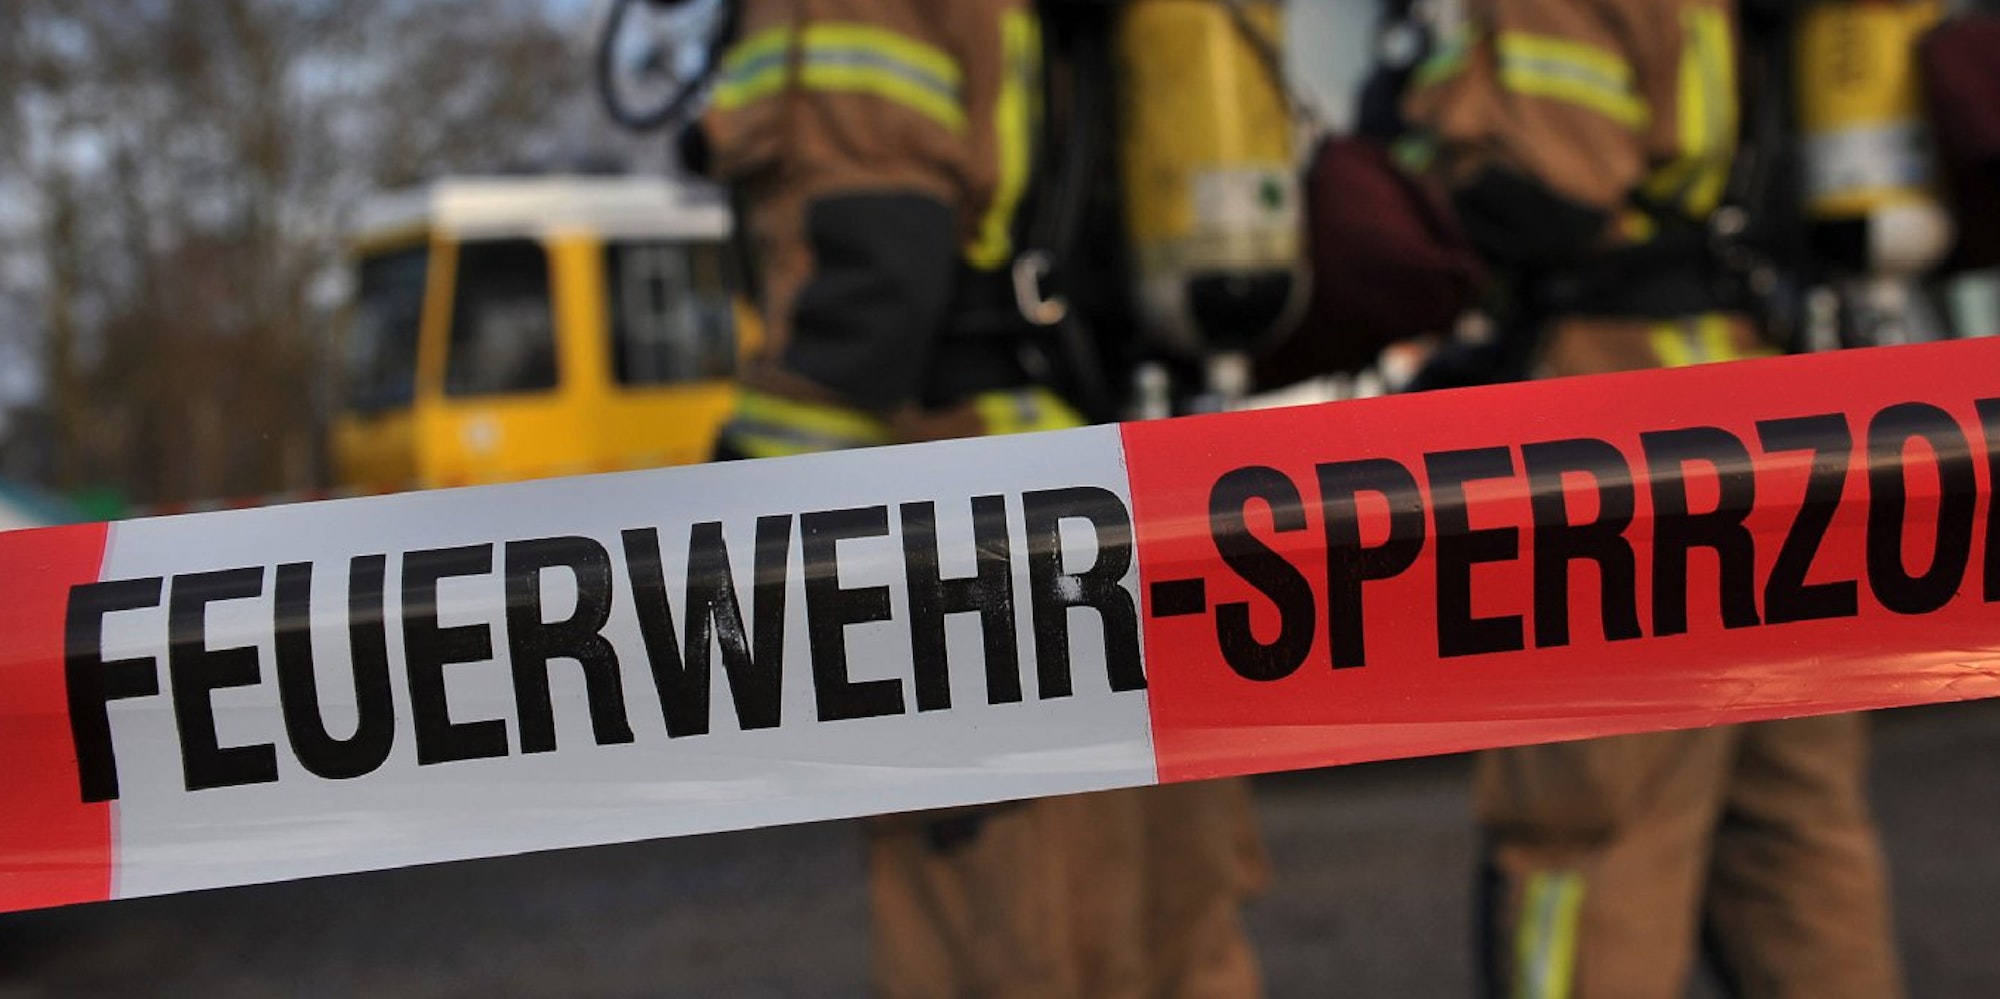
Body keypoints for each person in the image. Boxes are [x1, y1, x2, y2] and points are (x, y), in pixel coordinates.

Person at [690, 1, 1270, 995]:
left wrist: (687, 569)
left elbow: (866, 294)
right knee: (1177, 939)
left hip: (974, 564)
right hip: (1137, 524)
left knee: (1005, 953)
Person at [1395, 1, 1906, 996]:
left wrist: (1423, 131)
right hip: (1786, 425)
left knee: (1586, 830)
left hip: (1626, 439)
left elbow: (1550, 186)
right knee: (1796, 836)